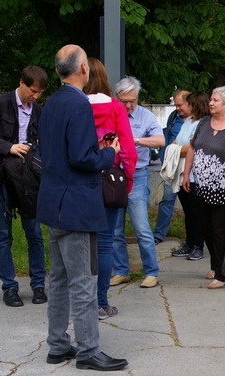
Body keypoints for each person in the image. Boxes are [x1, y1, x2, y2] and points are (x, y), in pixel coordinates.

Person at [37, 44, 128, 371]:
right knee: (84, 280)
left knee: (59, 279)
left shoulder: (51, 103)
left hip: (54, 204)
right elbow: (82, 158)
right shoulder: (78, 105)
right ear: (83, 70)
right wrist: (109, 153)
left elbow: (54, 151)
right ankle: (88, 350)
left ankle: (58, 345)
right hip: (76, 206)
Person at [0, 66, 48, 307]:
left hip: (28, 178)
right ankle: (9, 287)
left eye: (40, 93)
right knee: (3, 233)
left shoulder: (38, 110)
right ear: (22, 83)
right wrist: (8, 147)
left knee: (34, 231)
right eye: (33, 91)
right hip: (2, 177)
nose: (35, 96)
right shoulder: (0, 104)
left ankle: (38, 285)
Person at [82, 57, 138, 320]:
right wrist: (126, 182)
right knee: (105, 243)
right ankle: (101, 302)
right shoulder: (116, 107)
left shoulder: (75, 105)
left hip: (80, 179)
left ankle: (81, 300)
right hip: (110, 180)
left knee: (80, 245)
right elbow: (127, 149)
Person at [182, 86, 225, 289]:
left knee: (220, 231)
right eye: (211, 99)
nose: (211, 103)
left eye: (216, 100)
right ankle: (215, 264)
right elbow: (193, 149)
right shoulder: (203, 123)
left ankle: (222, 275)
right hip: (202, 187)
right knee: (207, 229)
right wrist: (186, 173)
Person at [110, 76, 165, 289]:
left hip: (138, 174)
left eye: (133, 100)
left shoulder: (145, 116)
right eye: (124, 101)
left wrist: (134, 140)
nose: (129, 105)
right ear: (117, 98)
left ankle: (151, 272)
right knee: (115, 228)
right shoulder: (111, 115)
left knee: (141, 227)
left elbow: (160, 141)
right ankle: (121, 271)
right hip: (114, 175)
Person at [170, 91, 210, 261]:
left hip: (196, 176)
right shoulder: (188, 122)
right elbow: (176, 142)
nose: (183, 107)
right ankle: (189, 243)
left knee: (197, 213)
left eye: (188, 103)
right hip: (182, 173)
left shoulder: (204, 124)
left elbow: (191, 147)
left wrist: (174, 150)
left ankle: (198, 246)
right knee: (188, 212)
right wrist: (177, 149)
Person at [153, 90, 189, 245]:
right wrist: (164, 160)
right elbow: (166, 140)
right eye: (176, 105)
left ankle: (194, 239)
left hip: (189, 169)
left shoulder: (199, 120)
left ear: (190, 103)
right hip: (172, 168)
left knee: (191, 206)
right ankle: (159, 234)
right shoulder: (174, 117)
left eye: (180, 105)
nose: (177, 108)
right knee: (167, 200)